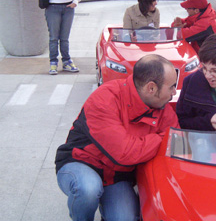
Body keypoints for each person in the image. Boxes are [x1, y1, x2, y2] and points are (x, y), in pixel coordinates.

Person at [55, 54, 179, 221]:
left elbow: (176, 144)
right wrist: (161, 139)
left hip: (117, 177)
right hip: (81, 162)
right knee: (88, 189)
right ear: (151, 88)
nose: (174, 92)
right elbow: (124, 153)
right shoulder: (105, 98)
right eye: (171, 86)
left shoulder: (163, 109)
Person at [39, 0, 82, 75]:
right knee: (53, 37)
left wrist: (75, 1)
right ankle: (53, 62)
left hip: (68, 8)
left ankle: (67, 61)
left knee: (64, 38)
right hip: (53, 6)